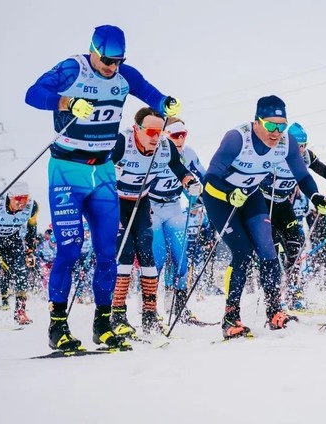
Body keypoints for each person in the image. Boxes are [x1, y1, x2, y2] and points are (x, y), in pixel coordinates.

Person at [25, 25, 182, 352]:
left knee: (108, 252)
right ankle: (58, 326)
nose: (113, 67)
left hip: (103, 171)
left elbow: (150, 93)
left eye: (118, 61)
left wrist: (166, 103)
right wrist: (67, 102)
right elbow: (33, 93)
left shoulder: (125, 74)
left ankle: (103, 324)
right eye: (108, 61)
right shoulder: (73, 68)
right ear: (93, 51)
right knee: (70, 249)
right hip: (67, 169)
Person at [202, 95, 326, 339]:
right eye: (271, 125)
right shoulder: (236, 138)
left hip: (250, 195)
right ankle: (230, 317)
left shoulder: (286, 142)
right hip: (220, 198)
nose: (276, 132)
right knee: (242, 252)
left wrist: (315, 197)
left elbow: (302, 175)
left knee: (267, 249)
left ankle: (275, 312)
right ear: (257, 122)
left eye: (282, 126)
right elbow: (210, 180)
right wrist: (228, 195)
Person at [111, 108, 199, 335]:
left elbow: (179, 168)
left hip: (141, 203)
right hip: (116, 203)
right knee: (125, 254)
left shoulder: (165, 146)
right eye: (150, 132)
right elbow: (99, 168)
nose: (155, 138)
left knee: (148, 256)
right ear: (137, 129)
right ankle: (117, 315)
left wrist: (190, 183)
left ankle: (149, 316)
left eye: (159, 133)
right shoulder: (122, 142)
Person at [259, 122, 326, 308]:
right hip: (264, 204)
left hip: (283, 205)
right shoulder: (274, 150)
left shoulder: (307, 156)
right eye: (297, 145)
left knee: (297, 246)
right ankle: (272, 299)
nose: (301, 150)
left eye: (304, 145)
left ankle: (293, 292)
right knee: (271, 252)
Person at [149, 117, 206, 324]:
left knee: (181, 259)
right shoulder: (155, 152)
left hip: (173, 206)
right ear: (165, 136)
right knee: (157, 259)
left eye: (183, 135)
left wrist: (201, 194)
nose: (180, 140)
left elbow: (204, 177)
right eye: (175, 135)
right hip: (152, 207)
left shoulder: (188, 154)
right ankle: (149, 309)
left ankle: (179, 306)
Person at [0, 181, 38, 328]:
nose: (22, 203)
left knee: (21, 271)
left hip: (11, 237)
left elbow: (31, 228)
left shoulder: (33, 207)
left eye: (25, 198)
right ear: (10, 196)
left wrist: (30, 250)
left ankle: (20, 311)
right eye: (18, 199)